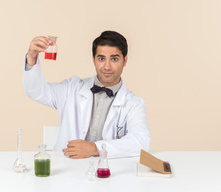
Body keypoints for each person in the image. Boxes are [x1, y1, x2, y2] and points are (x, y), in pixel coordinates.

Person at [23, 31, 150, 159]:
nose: (107, 66)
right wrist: (32, 57)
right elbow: (35, 91)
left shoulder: (134, 103)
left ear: (125, 60)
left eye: (114, 59)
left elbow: (141, 142)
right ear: (93, 59)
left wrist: (94, 149)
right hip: (67, 169)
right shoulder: (72, 88)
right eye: (101, 58)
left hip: (107, 171)